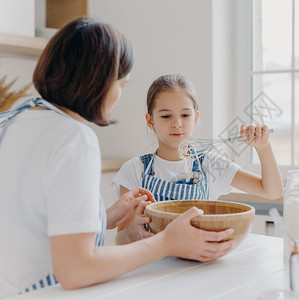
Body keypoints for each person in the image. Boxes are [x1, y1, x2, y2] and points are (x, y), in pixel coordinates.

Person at [0, 17, 234, 298]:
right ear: (97, 82)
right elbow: (76, 270)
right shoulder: (74, 138)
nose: (118, 95)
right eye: (121, 84)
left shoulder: (14, 119)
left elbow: (31, 217)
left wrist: (105, 217)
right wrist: (167, 243)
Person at [112, 74, 284, 244]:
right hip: (151, 266)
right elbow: (121, 240)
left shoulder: (210, 164)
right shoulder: (134, 170)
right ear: (150, 121)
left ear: (196, 118)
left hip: (200, 264)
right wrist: (134, 232)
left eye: (185, 115)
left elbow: (272, 192)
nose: (177, 123)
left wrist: (264, 148)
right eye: (166, 116)